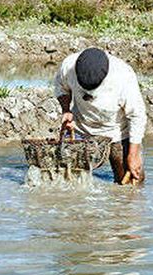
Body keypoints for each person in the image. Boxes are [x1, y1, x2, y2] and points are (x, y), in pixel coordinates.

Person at [54, 47, 147, 184]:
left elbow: (137, 116)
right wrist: (66, 110)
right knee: (68, 182)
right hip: (81, 128)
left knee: (131, 184)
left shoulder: (123, 76)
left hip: (117, 132)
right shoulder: (68, 66)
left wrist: (133, 155)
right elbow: (62, 88)